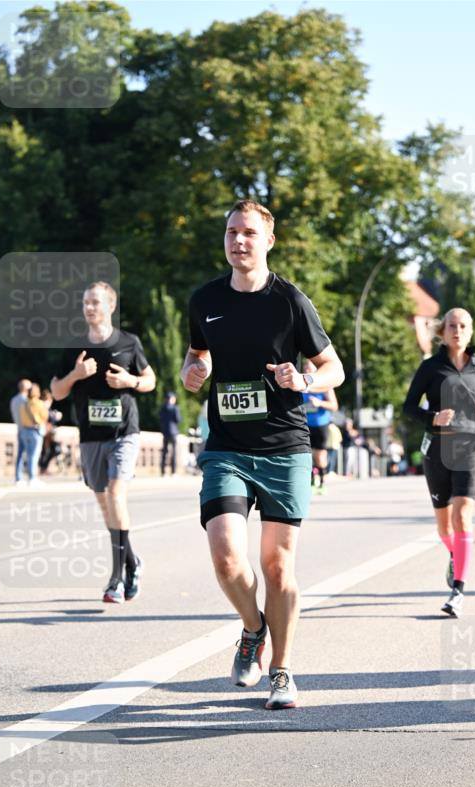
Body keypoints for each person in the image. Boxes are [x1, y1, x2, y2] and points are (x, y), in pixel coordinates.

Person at [181, 199, 344, 710]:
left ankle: (281, 669)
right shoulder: (204, 299)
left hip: (284, 446)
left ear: (268, 241)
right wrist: (192, 372)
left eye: (249, 232)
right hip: (227, 446)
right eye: (231, 231)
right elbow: (196, 354)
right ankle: (253, 628)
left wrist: (308, 379)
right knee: (228, 557)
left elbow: (334, 366)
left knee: (276, 566)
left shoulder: (290, 302)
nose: (238, 241)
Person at [51, 281, 156, 602]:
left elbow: (150, 381)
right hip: (90, 436)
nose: (89, 307)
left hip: (124, 432)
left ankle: (116, 579)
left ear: (110, 306)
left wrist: (130, 381)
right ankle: (132, 561)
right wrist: (76, 375)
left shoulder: (128, 342)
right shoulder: (74, 347)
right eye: (85, 302)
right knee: (105, 504)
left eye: (95, 302)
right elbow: (56, 391)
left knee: (115, 494)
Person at [403, 307, 475, 618]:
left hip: (471, 447)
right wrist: (432, 417)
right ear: (443, 331)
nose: (457, 330)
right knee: (444, 526)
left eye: (462, 326)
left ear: (471, 331)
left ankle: (458, 589)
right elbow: (408, 407)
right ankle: (455, 553)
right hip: (437, 450)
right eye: (451, 325)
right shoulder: (431, 368)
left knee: (463, 516)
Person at [302, 358, 339, 494]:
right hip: (305, 425)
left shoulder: (325, 386)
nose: (307, 371)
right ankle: (312, 482)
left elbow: (334, 406)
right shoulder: (301, 388)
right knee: (307, 455)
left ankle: (322, 483)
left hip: (321, 424)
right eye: (305, 369)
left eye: (310, 369)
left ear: (316, 371)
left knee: (320, 456)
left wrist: (319, 403)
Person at [10, 378, 32, 484]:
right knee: (29, 454)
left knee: (20, 454)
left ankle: (18, 477)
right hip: (27, 429)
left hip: (19, 428)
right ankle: (30, 476)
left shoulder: (14, 400)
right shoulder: (25, 401)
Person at [159, 391, 181, 476]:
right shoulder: (175, 408)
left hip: (165, 432)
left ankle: (163, 472)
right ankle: (173, 472)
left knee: (164, 452)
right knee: (173, 453)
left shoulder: (163, 408)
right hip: (173, 432)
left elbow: (160, 419)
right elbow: (178, 419)